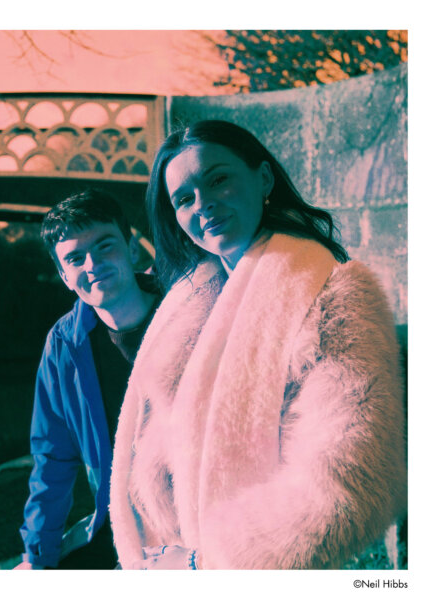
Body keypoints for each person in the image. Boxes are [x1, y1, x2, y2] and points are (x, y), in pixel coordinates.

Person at [109, 120, 407, 569]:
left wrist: (209, 562)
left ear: (264, 178)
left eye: (218, 179)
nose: (203, 204)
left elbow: (349, 484)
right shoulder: (189, 303)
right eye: (184, 199)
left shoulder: (332, 294)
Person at [15, 189, 160, 569]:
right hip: (122, 525)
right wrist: (37, 558)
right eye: (75, 258)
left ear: (132, 249)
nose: (92, 264)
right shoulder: (64, 345)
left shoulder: (187, 311)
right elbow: (53, 458)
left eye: (105, 245)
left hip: (203, 519)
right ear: (64, 276)